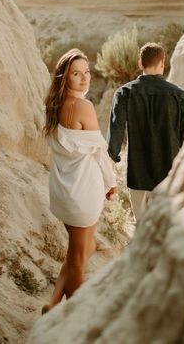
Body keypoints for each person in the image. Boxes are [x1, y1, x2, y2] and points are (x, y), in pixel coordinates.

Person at [42, 48, 116, 314]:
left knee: (81, 249)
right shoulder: (83, 107)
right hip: (82, 191)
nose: (85, 79)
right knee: (77, 259)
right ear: (65, 78)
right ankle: (77, 317)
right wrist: (111, 183)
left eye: (87, 72)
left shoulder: (53, 106)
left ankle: (51, 305)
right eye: (77, 74)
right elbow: (99, 151)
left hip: (63, 190)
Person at [107, 42, 184, 222]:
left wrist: (111, 160)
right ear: (163, 63)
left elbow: (116, 131)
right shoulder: (180, 96)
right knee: (165, 232)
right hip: (168, 176)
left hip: (137, 174)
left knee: (142, 232)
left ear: (140, 63)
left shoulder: (125, 93)